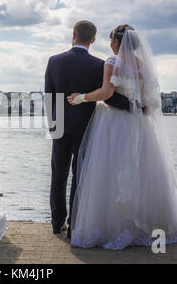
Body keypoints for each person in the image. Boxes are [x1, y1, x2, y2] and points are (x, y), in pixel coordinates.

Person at [68, 24, 177, 250]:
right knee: (141, 171)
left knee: (111, 171)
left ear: (116, 43)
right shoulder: (143, 65)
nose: (110, 44)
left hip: (113, 122)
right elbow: (149, 99)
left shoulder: (112, 62)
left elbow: (106, 93)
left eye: (111, 40)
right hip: (139, 123)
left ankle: (113, 226)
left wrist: (81, 97)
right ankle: (144, 226)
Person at [44, 21, 130, 237]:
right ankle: (75, 224)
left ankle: (56, 222)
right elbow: (105, 95)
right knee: (80, 175)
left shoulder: (54, 61)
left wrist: (52, 124)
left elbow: (49, 96)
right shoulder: (98, 64)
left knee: (58, 174)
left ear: (73, 35)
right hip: (86, 123)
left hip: (60, 123)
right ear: (93, 40)